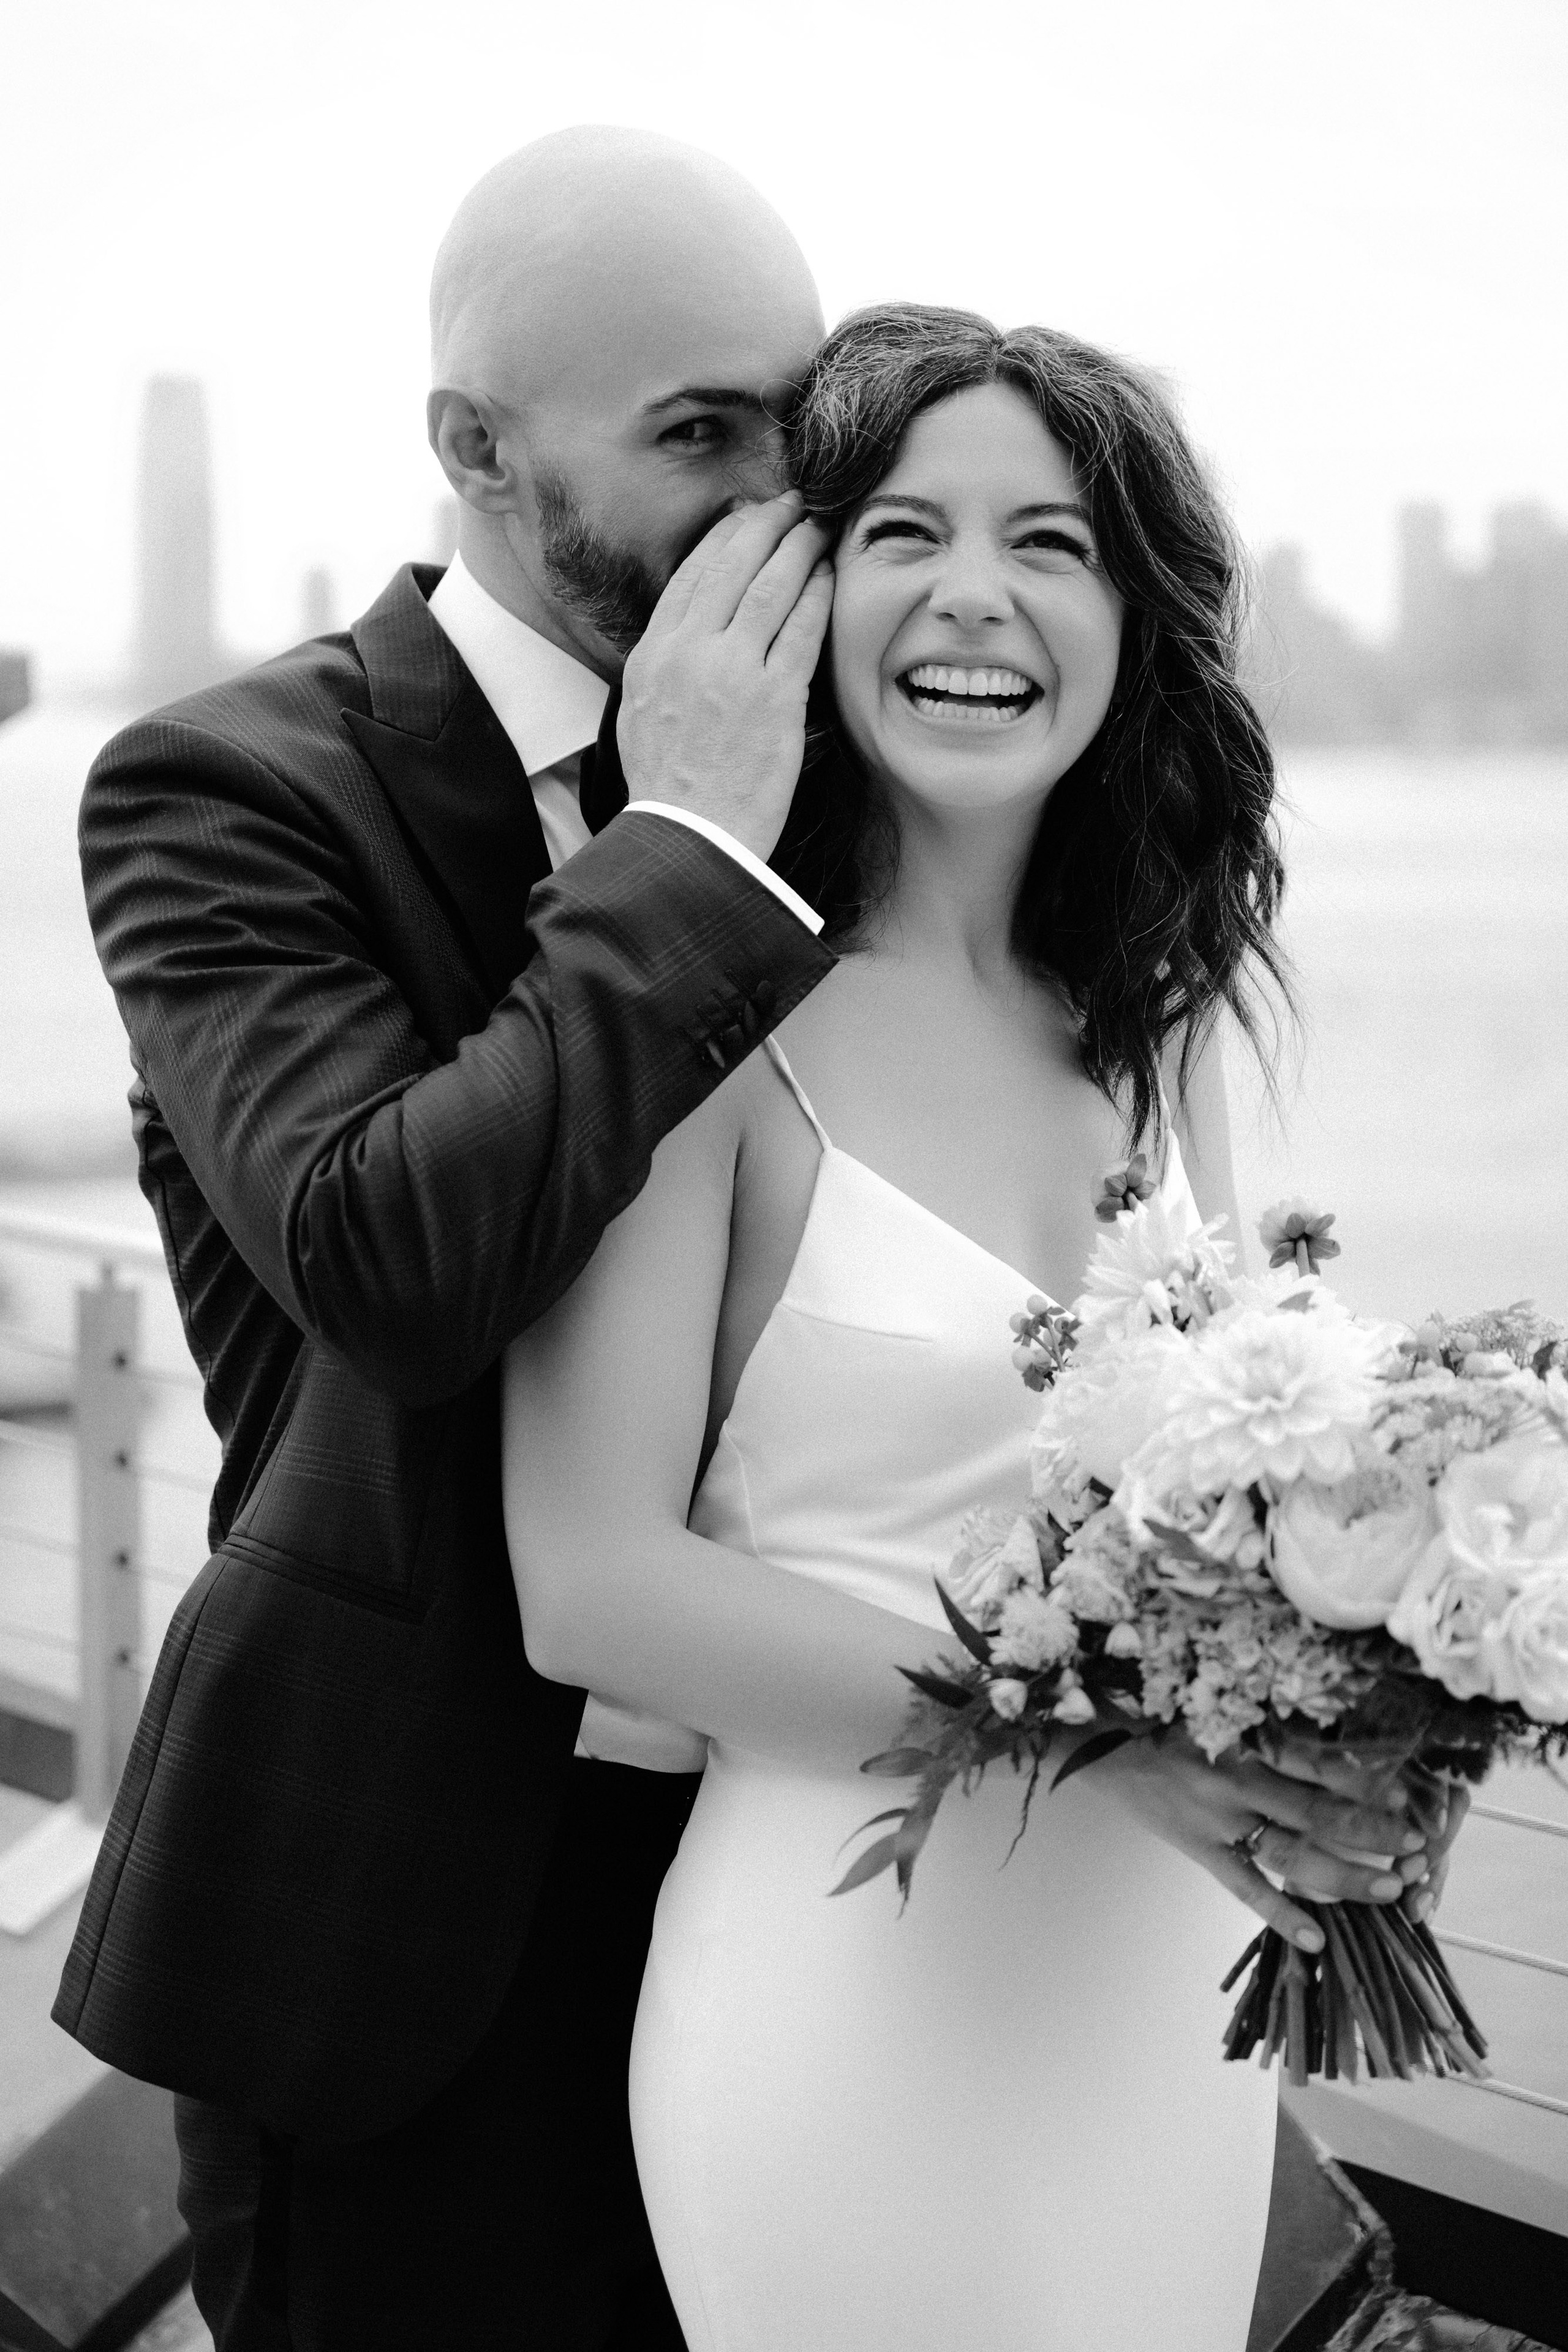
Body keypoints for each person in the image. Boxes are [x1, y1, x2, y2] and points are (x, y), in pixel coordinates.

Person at [502, 306, 1462, 2351]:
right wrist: (1098, 1745)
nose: (976, 595)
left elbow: (1241, 1489)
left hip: (1155, 2012)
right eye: (903, 532)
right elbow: (586, 1586)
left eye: (1052, 541)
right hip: (845, 1990)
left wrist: (1380, 1692)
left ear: (1133, 618)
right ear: (802, 591)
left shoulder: (1164, 1008)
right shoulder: (709, 1006)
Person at [55, 127, 842, 2350]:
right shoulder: (225, 792)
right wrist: (688, 832)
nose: (780, 502)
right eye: (701, 432)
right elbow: (387, 1259)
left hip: (804, 1877)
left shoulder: (844, 791)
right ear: (474, 451)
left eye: (802, 421)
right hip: (410, 1935)